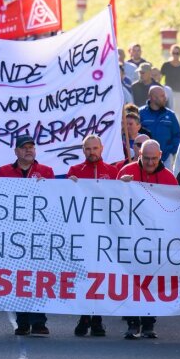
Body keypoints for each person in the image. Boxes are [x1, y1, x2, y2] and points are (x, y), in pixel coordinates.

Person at [0, 134, 54, 337]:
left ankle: (39, 321)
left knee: (37, 277)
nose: (29, 150)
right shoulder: (3, 171)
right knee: (19, 278)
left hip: (38, 233)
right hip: (13, 234)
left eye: (31, 147)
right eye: (24, 147)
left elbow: (55, 198)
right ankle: (23, 321)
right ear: (16, 151)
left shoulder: (46, 172)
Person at [118, 140, 175, 339]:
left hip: (156, 239)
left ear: (160, 155)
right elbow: (112, 201)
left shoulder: (169, 177)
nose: (150, 163)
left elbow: (174, 208)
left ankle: (149, 322)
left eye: (154, 158)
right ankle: (133, 323)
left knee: (152, 281)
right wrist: (120, 187)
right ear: (139, 154)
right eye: (146, 158)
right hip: (131, 237)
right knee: (131, 280)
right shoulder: (127, 171)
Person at [66, 134, 116, 336]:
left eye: (95, 148)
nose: (92, 152)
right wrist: (69, 185)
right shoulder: (75, 171)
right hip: (82, 233)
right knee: (85, 275)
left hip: (105, 233)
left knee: (101, 275)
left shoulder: (112, 171)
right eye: (88, 149)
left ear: (102, 148)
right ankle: (85, 315)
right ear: (83, 150)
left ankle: (97, 319)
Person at [138, 86, 180, 169]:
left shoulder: (170, 115)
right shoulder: (140, 113)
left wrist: (171, 151)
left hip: (166, 158)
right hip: (146, 159)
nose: (165, 98)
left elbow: (177, 135)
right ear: (153, 97)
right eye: (162, 96)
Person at [160, 45, 180, 127]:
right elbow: (159, 79)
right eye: (174, 53)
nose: (175, 55)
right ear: (171, 53)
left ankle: (178, 132)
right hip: (168, 93)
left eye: (177, 53)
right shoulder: (166, 65)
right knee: (168, 113)